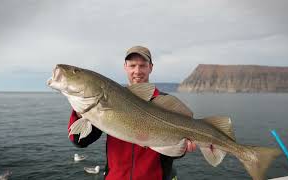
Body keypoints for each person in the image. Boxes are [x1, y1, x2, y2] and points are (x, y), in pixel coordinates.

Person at [68, 46, 197, 180]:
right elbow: (79, 141)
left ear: (151, 67)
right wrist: (80, 113)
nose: (137, 71)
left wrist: (181, 148)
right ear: (125, 67)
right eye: (132, 65)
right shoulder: (109, 98)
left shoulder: (165, 104)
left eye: (142, 65)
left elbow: (172, 151)